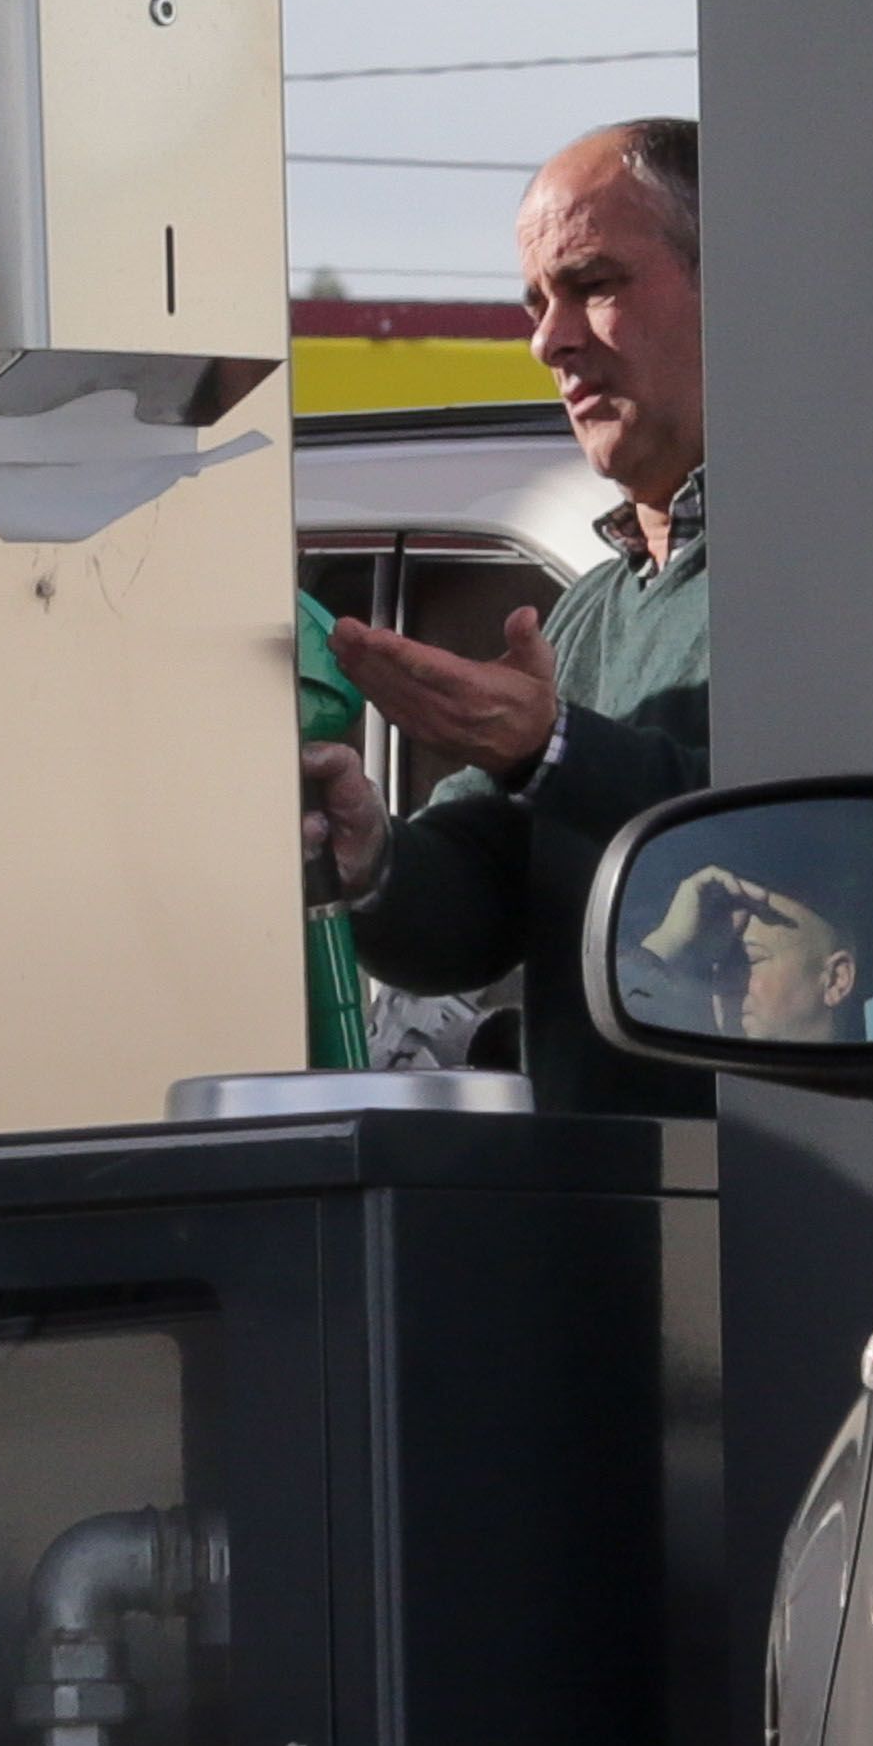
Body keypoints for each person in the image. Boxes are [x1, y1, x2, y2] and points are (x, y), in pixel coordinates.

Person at [310, 118, 710, 1109]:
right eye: (536, 302)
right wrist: (368, 855)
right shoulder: (593, 609)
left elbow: (786, 857)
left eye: (593, 283)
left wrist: (554, 751)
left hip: (796, 1203)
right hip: (619, 1199)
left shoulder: (847, 567)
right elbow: (472, 914)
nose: (547, 340)